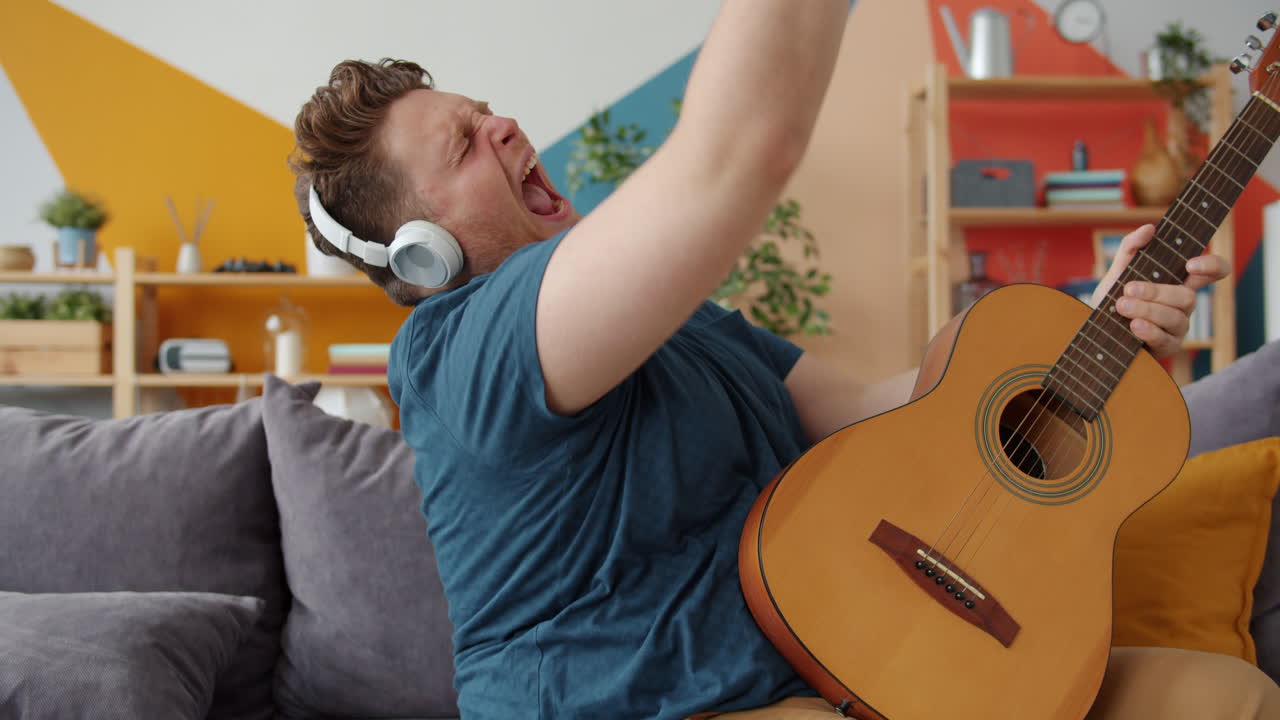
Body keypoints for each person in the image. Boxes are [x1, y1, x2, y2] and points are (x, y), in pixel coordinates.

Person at [288, 3, 1276, 718]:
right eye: (463, 145)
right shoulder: (456, 351)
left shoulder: (688, 329)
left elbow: (882, 410)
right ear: (426, 258)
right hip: (635, 706)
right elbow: (738, 150)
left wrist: (1086, 321)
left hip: (842, 665)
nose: (501, 125)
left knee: (1217, 695)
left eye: (485, 109)